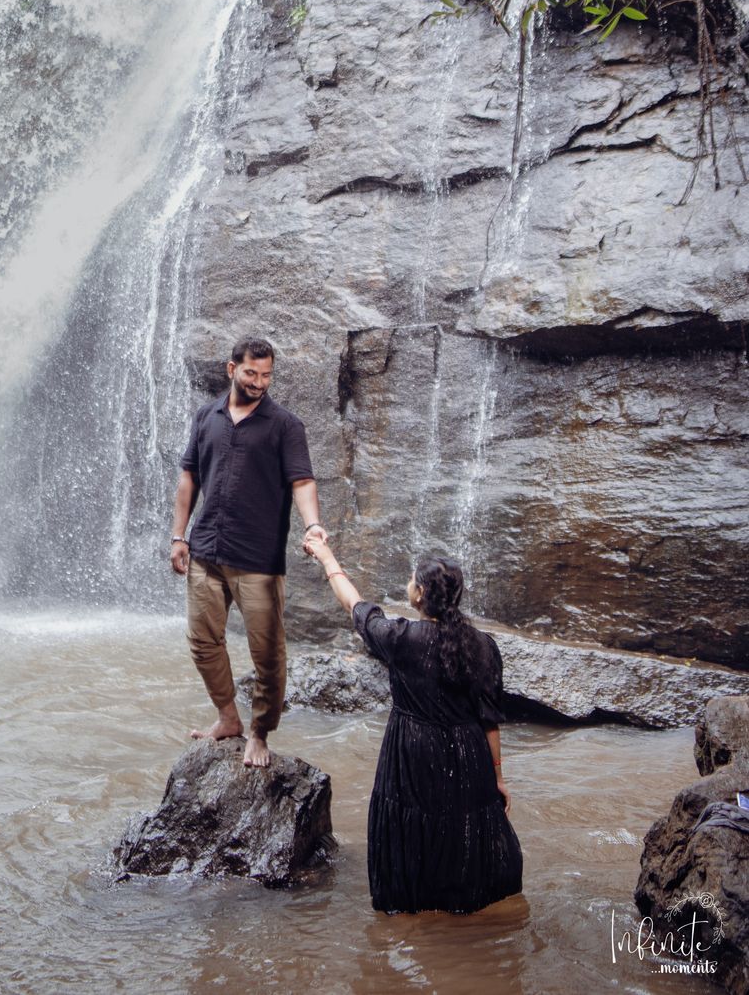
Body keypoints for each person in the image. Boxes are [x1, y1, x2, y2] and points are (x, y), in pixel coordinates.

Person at [304, 533, 523, 915]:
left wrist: (326, 558)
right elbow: (490, 721)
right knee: (460, 827)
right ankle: (461, 914)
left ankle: (412, 915)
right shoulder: (484, 645)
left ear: (420, 594)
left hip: (412, 750)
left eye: (411, 580)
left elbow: (355, 605)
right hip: (468, 753)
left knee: (409, 826)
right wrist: (498, 776)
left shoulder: (401, 637)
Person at [171, 337, 327, 768]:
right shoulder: (207, 416)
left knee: (268, 656)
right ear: (230, 369)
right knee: (202, 642)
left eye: (266, 375)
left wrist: (313, 525)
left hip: (258, 560)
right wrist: (178, 536)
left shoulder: (285, 426)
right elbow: (189, 478)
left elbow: (303, 482)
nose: (259, 383)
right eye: (251, 373)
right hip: (204, 551)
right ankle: (228, 719)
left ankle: (260, 733)